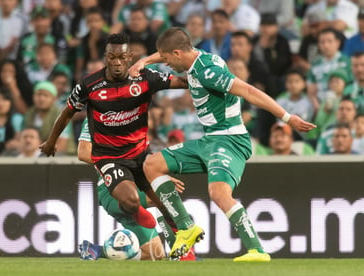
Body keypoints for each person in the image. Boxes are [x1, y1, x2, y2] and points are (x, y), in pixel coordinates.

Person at [129, 27, 316, 261]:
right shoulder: (195, 56)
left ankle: (257, 250)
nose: (164, 64)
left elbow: (248, 90)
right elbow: (168, 50)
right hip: (210, 139)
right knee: (153, 164)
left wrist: (288, 117)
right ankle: (186, 228)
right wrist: (144, 61)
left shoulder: (208, 71)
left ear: (177, 53)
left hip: (230, 140)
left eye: (166, 59)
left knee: (218, 192)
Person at [39, 33, 189, 234]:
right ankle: (136, 211)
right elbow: (67, 112)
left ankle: (184, 247)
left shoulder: (145, 78)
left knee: (167, 205)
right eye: (112, 57)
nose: (117, 63)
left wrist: (201, 73)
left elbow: (182, 83)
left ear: (130, 57)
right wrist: (51, 141)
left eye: (121, 57)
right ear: (105, 57)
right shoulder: (89, 85)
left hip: (141, 154)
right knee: (132, 200)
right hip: (109, 157)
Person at [76, 118, 195, 261]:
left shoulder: (134, 114)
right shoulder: (95, 116)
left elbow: (143, 157)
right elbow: (83, 153)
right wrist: (123, 164)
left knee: (155, 254)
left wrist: (157, 177)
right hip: (110, 189)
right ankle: (184, 253)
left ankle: (95, 250)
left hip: (136, 182)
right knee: (163, 195)